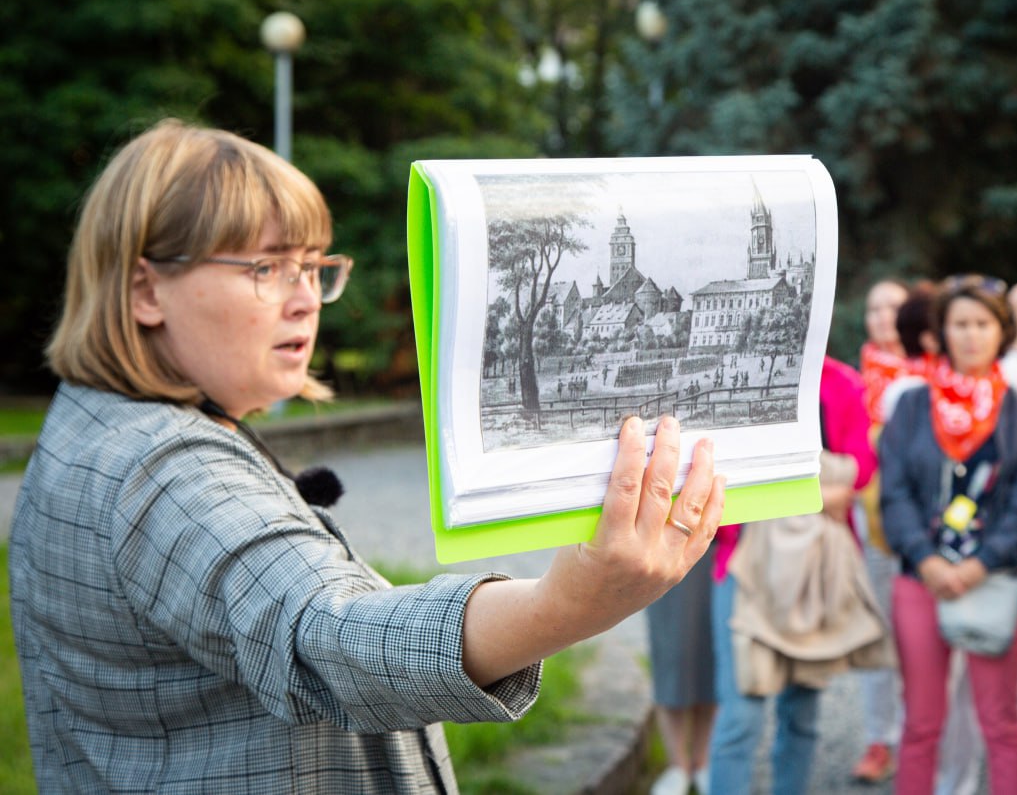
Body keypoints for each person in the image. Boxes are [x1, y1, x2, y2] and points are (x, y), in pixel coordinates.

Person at [8, 120, 726, 793]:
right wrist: (562, 605)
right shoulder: (160, 467)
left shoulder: (100, 427)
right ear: (145, 289)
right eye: (266, 268)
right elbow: (328, 633)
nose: (305, 300)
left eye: (313, 267)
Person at [879, 274, 1017, 795]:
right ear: (941, 332)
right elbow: (895, 492)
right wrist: (927, 560)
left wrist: (980, 563)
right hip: (921, 576)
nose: (971, 336)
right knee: (922, 722)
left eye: (982, 324)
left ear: (1001, 331)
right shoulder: (911, 406)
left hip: (991, 579)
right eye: (960, 324)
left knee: (1001, 722)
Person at [707, 355, 877, 795]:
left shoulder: (840, 382)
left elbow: (862, 462)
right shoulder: (734, 369)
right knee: (740, 714)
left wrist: (789, 492)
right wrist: (820, 492)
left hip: (814, 567)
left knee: (802, 710)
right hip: (747, 565)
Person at [851, 277, 911, 782]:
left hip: (921, 524)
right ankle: (880, 737)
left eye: (893, 308)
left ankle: (920, 735)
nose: (882, 317)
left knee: (923, 632)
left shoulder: (934, 377)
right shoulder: (855, 382)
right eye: (874, 309)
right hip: (867, 521)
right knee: (878, 631)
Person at [645, 556, 716, 795]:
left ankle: (702, 761)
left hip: (725, 547)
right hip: (670, 546)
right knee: (672, 658)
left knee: (712, 661)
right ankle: (678, 765)